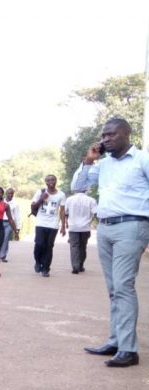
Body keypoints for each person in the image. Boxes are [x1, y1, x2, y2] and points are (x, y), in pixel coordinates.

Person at [73, 117, 149, 368]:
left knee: (124, 285)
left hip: (132, 225)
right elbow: (78, 186)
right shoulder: (102, 164)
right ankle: (116, 341)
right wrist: (88, 161)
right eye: (103, 135)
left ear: (127, 134)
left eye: (111, 134)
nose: (105, 139)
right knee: (114, 288)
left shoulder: (142, 159)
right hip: (105, 228)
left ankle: (129, 350)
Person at [30, 175, 67, 277]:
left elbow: (62, 211)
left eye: (53, 179)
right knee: (39, 244)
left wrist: (63, 226)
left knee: (49, 246)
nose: (51, 181)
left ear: (56, 181)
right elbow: (33, 206)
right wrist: (41, 199)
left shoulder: (61, 195)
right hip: (40, 222)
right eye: (48, 180)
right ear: (45, 182)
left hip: (53, 224)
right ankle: (38, 261)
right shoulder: (40, 192)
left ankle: (46, 269)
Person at [65, 188, 97, 274]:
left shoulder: (69, 199)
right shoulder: (91, 200)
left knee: (74, 246)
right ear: (86, 190)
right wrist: (90, 220)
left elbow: (65, 213)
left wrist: (67, 223)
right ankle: (80, 264)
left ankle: (75, 266)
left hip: (73, 227)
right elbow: (96, 213)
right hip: (85, 227)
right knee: (83, 246)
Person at [0, 187, 21, 263]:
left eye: (12, 193)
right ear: (6, 194)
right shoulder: (1, 202)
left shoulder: (15, 204)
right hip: (0, 222)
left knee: (5, 239)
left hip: (9, 223)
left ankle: (3, 256)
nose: (10, 195)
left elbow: (17, 216)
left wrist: (18, 228)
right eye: (9, 193)